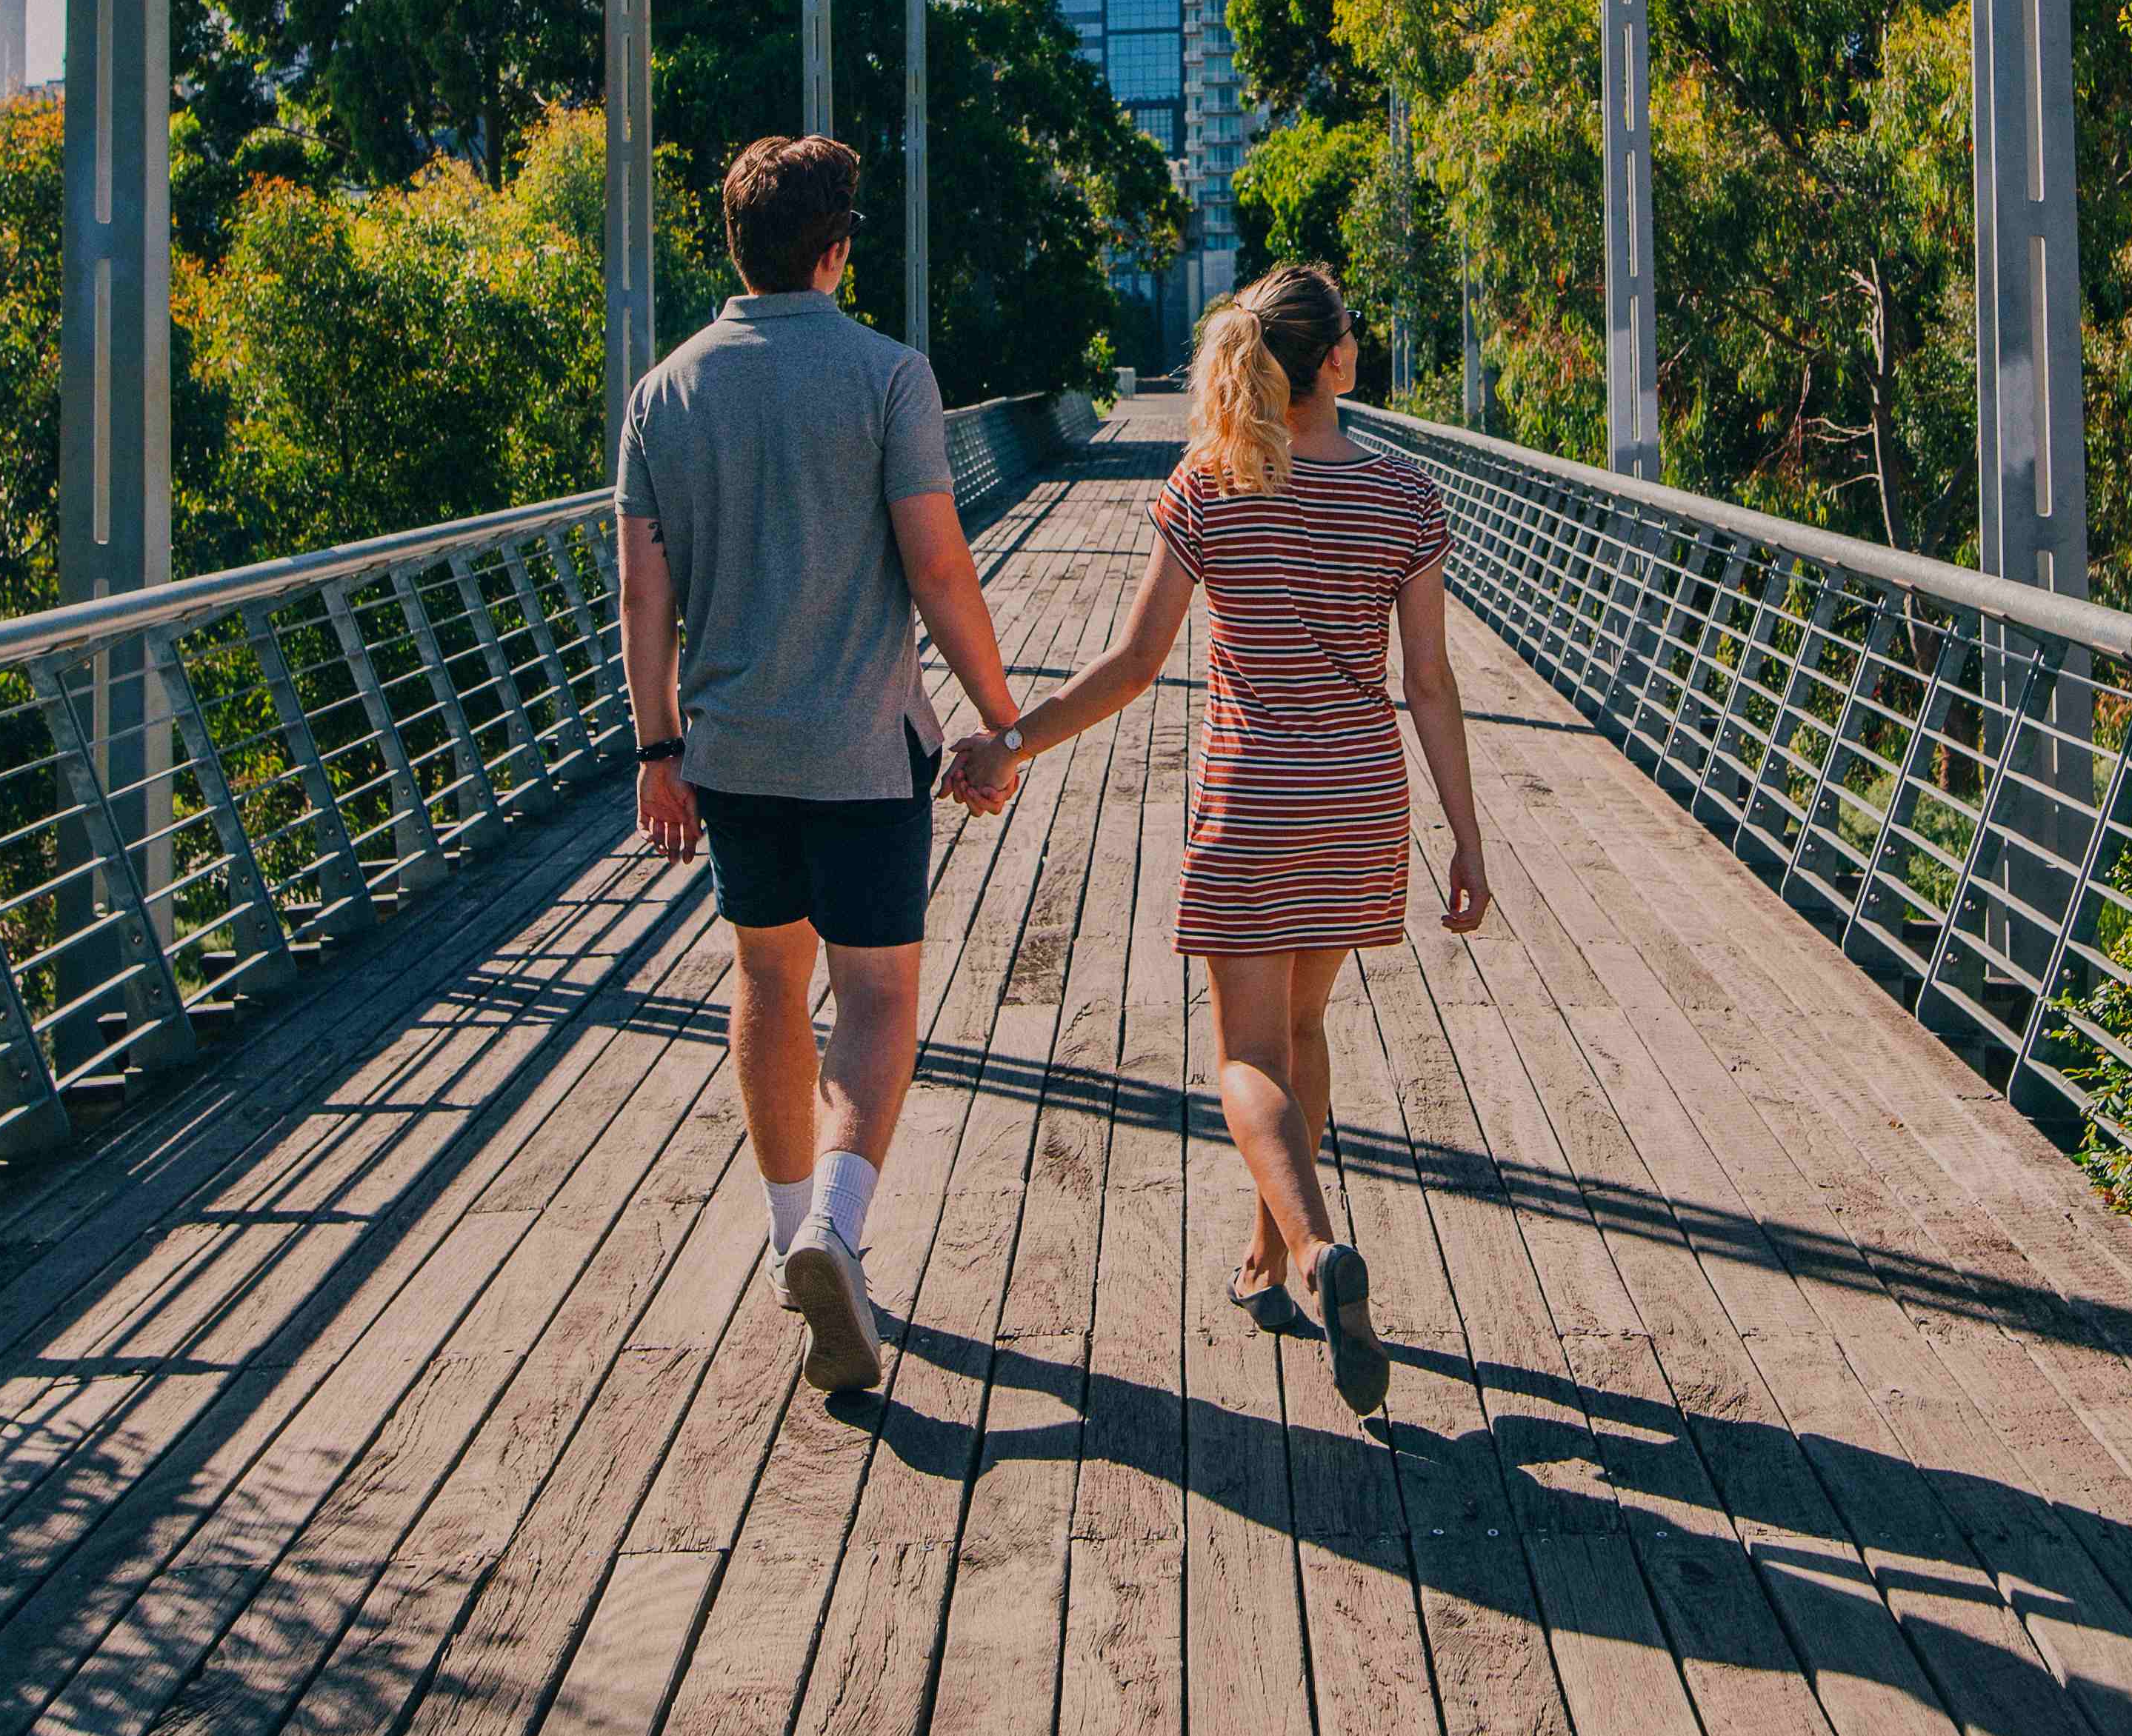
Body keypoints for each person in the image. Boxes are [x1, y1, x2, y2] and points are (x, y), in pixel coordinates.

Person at [943, 261, 1490, 1418]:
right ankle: (1269, 1259)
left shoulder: (1211, 485)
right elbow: (1431, 686)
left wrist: (1009, 740)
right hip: (1359, 802)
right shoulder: (1408, 502)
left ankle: (1309, 1249)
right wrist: (1467, 840)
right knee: (1301, 1030)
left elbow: (1135, 665)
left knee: (1246, 1059)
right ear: (1336, 361)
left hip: (1252, 801)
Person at [619, 135, 1029, 1398]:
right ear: (838, 250)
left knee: (765, 976)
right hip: (861, 747)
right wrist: (1001, 719)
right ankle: (833, 1232)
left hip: (731, 752)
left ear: (734, 248)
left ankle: (786, 1225)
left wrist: (656, 746)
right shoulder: (887, 376)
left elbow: (644, 592)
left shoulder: (665, 393)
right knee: (879, 995)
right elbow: (940, 568)